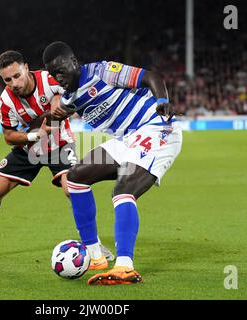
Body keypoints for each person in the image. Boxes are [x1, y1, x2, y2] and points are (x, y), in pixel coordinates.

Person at [43, 41, 183, 285]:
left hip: (157, 128)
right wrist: (46, 120)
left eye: (61, 70)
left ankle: (125, 267)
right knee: (75, 178)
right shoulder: (70, 98)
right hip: (127, 139)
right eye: (53, 74)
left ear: (74, 62)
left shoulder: (102, 71)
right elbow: (56, 116)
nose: (58, 77)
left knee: (123, 189)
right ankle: (95, 256)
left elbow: (151, 76)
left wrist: (162, 101)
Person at [0, 50, 114, 262]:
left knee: (72, 189)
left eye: (17, 75)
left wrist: (59, 102)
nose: (14, 83)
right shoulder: (6, 101)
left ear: (26, 68)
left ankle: (95, 245)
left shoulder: (49, 79)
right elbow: (9, 136)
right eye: (7, 80)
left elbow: (69, 91)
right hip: (28, 150)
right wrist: (35, 135)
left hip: (60, 145)